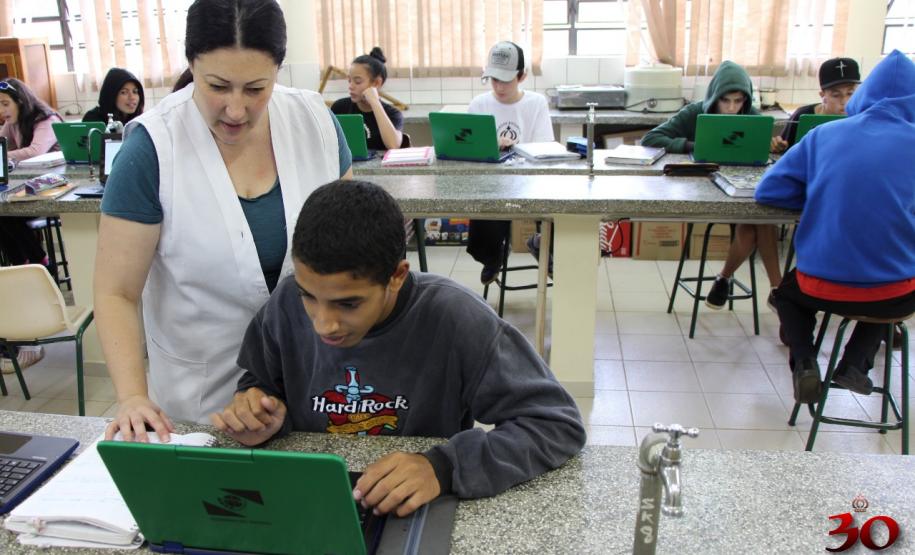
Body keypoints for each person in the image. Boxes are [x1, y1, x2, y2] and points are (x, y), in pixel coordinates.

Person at [211, 180, 585, 517]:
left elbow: (555, 425)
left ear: (397, 276)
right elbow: (260, 380)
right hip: (307, 499)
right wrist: (259, 409)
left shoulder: (457, 319)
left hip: (411, 508)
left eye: (348, 304)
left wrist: (443, 468)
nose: (323, 323)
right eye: (310, 296)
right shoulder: (286, 302)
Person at [95, 0, 353, 440]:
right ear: (191, 65)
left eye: (256, 89)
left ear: (278, 71)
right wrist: (133, 396)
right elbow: (116, 291)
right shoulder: (153, 149)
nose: (235, 110)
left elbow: (355, 252)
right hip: (202, 397)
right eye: (218, 86)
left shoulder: (316, 125)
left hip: (316, 381)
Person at [757, 50, 915, 404]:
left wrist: (824, 194)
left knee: (786, 295)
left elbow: (769, 190)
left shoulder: (823, 135)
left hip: (819, 284)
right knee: (891, 282)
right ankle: (855, 363)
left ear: (863, 94)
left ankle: (805, 361)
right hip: (894, 292)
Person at [642, 61, 783, 315]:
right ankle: (775, 291)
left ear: (746, 100)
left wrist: (771, 145)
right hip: (705, 189)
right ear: (714, 97)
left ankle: (732, 281)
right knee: (761, 223)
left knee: (760, 221)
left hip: (742, 191)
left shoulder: (752, 118)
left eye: (738, 101)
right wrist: (691, 145)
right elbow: (651, 138)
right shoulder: (696, 112)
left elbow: (762, 152)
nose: (731, 108)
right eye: (725, 100)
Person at [466, 41, 554, 284]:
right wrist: (489, 144)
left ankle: (544, 247)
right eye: (494, 79)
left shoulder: (535, 103)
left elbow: (545, 147)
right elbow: (466, 150)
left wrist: (513, 146)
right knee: (485, 205)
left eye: (505, 80)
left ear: (522, 76)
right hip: (493, 183)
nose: (499, 86)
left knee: (559, 208)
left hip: (530, 180)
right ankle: (493, 257)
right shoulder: (479, 104)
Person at [0, 77, 62, 373]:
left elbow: (36, 150)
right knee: (4, 219)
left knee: (9, 219)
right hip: (23, 195)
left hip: (52, 193)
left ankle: (36, 263)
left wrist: (5, 155)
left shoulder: (45, 119)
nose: (2, 110)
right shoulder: (11, 125)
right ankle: (28, 265)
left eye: (4, 104)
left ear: (20, 102)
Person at [770, 57, 860, 153]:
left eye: (850, 93)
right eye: (836, 95)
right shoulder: (802, 116)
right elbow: (784, 151)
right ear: (822, 96)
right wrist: (777, 147)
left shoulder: (863, 116)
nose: (845, 101)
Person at [331, 47, 406, 150]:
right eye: (349, 81)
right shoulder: (339, 108)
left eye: (357, 81)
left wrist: (375, 102)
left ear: (376, 83)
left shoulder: (393, 114)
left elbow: (393, 145)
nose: (351, 86)